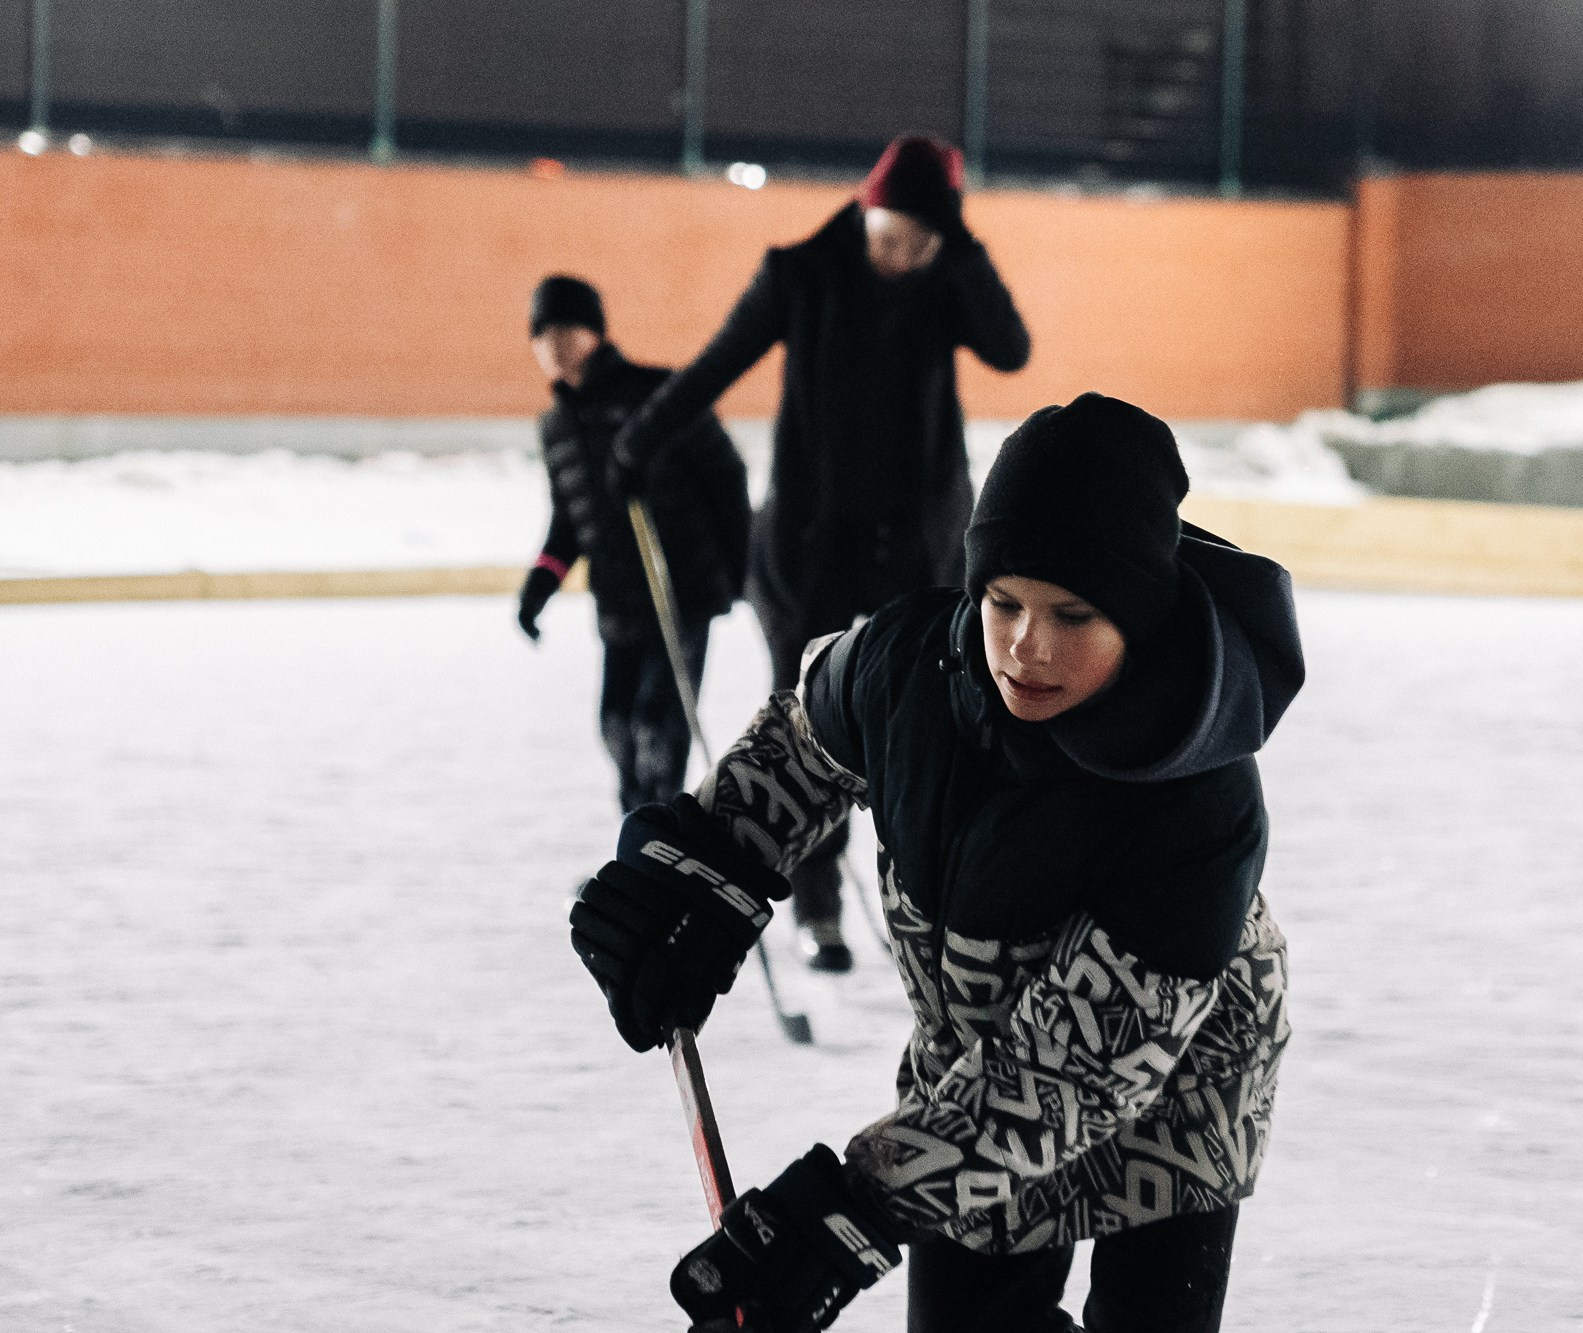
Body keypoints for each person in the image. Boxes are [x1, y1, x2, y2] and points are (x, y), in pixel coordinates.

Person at [570, 394, 1305, 1333]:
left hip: (1178, 1078)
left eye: (1074, 614)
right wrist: (700, 866)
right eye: (1004, 601)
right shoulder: (901, 665)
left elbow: (1073, 1072)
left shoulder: (1203, 800)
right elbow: (796, 751)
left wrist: (852, 1206)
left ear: (1139, 616)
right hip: (975, 1056)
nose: (1027, 646)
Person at [608, 134, 1032, 971]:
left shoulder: (946, 281)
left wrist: (961, 250)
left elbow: (1010, 348)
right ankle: (818, 906)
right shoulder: (798, 274)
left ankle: (930, 905)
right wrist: (637, 443)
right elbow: (717, 363)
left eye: (922, 242)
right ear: (866, 212)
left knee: (923, 728)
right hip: (811, 548)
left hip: (916, 550)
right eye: (892, 236)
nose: (903, 256)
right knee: (811, 725)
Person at [519, 274, 750, 811]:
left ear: (595, 332)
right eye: (542, 335)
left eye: (567, 330)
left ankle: (661, 841)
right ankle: (638, 838)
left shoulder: (658, 395)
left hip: (678, 591)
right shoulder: (556, 425)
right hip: (617, 599)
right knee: (616, 727)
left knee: (657, 728)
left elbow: (727, 475)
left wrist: (735, 569)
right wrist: (539, 587)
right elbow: (570, 520)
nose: (554, 345)